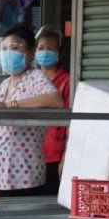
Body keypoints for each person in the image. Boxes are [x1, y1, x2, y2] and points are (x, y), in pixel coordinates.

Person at [0, 25, 64, 198]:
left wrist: (10, 105)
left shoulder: (36, 77)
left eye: (15, 48)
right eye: (5, 48)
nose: (8, 53)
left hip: (22, 173)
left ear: (30, 54)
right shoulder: (4, 84)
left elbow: (55, 100)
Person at [35, 28, 70, 196]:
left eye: (51, 48)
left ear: (60, 53)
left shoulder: (67, 82)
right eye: (40, 48)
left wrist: (66, 157)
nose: (45, 52)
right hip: (29, 155)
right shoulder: (30, 80)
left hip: (54, 156)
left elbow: (72, 123)